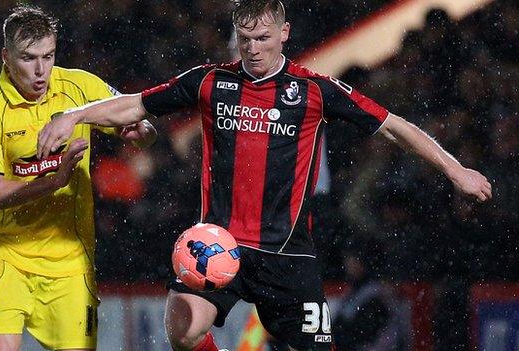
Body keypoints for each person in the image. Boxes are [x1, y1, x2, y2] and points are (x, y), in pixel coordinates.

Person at [37, 1, 492, 349]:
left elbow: (394, 126)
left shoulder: (314, 90)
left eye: (264, 38)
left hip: (287, 257)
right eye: (246, 38)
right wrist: (72, 116)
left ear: (285, 33)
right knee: (181, 328)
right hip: (218, 246)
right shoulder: (211, 82)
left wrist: (456, 170)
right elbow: (134, 103)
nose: (253, 49)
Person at [0, 5, 156, 351]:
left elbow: (144, 121)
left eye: (48, 56)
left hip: (69, 259)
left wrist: (141, 132)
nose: (40, 71)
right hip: (6, 252)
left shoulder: (80, 86)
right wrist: (54, 180)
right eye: (28, 58)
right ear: (6, 56)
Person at [332, 238, 407, 351]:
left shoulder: (376, 294)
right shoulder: (357, 290)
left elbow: (361, 335)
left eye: (353, 258)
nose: (348, 263)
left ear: (364, 261)